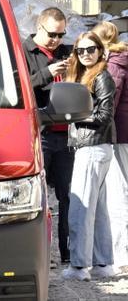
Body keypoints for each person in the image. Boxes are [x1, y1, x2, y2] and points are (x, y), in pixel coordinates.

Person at [62, 32, 119, 281]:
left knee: (81, 208)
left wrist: (72, 116)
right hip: (96, 147)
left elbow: (105, 115)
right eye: (80, 50)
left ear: (100, 50)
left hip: (94, 147)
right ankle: (102, 263)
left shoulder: (102, 76)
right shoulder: (86, 75)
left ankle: (78, 266)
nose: (85, 53)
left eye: (90, 49)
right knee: (98, 208)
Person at [24, 7, 74, 265]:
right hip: (40, 133)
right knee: (39, 198)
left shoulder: (68, 52)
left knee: (68, 197)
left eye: (61, 34)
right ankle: (39, 254)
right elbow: (19, 85)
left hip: (67, 135)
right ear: (39, 27)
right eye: (52, 34)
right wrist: (48, 71)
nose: (56, 40)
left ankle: (67, 254)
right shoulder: (24, 51)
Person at [92, 21, 128, 270]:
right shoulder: (122, 59)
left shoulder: (114, 65)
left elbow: (110, 104)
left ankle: (120, 255)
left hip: (120, 134)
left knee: (118, 194)